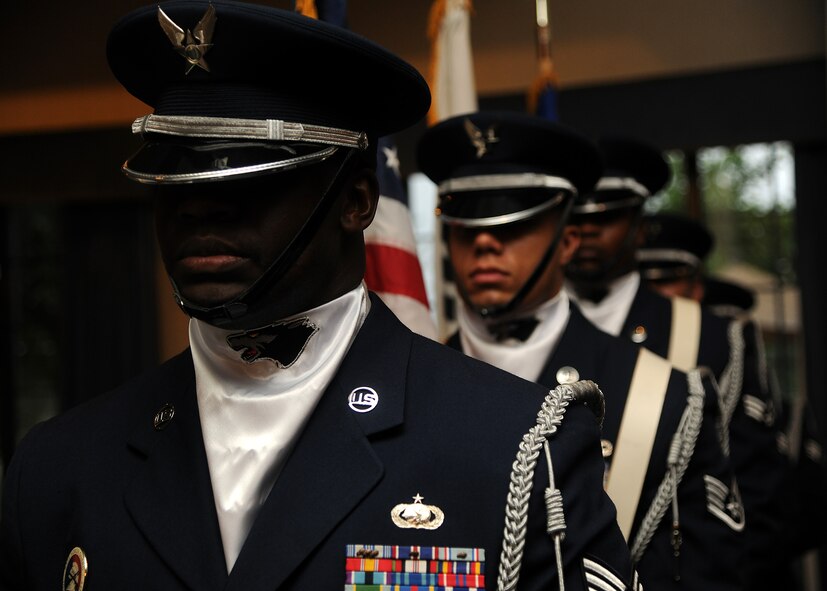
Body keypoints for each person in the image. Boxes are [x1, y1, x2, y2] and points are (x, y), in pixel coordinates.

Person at [0, 2, 633, 590]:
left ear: (357, 202)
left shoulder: (516, 449)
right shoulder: (58, 468)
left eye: (252, 176)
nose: (198, 206)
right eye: (175, 176)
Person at [417, 111, 743, 590]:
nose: (485, 242)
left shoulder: (669, 399)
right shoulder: (411, 388)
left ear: (567, 242)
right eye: (466, 226)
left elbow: (714, 574)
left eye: (512, 224)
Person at [565, 138, 788, 590]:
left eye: (606, 216)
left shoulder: (710, 337)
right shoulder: (524, 338)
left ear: (640, 227)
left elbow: (756, 497)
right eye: (575, 217)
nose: (587, 231)